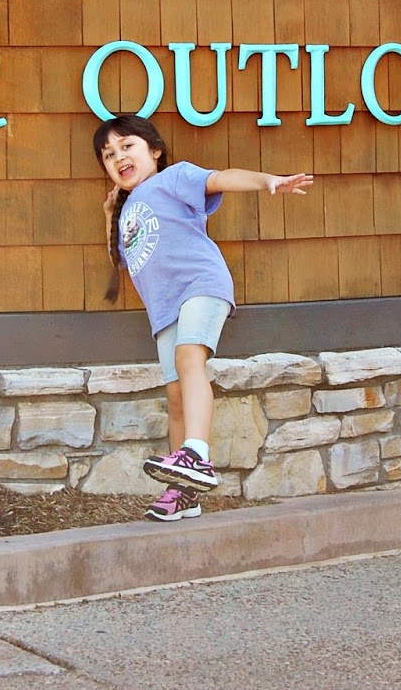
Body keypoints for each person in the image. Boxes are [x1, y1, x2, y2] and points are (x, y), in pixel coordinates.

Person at [94, 113, 313, 522]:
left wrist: (267, 180)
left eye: (127, 146)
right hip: (164, 311)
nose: (118, 157)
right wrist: (109, 214)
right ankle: (184, 493)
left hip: (201, 285)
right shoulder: (126, 211)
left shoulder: (172, 178)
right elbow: (121, 259)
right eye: (109, 154)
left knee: (189, 360)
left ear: (154, 152)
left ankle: (196, 453)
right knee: (174, 398)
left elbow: (220, 177)